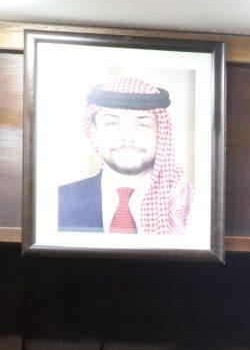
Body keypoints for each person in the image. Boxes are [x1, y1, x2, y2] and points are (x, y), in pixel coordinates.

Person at [58, 77, 192, 235]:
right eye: (112, 124)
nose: (127, 137)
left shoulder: (190, 205)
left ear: (160, 133)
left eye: (143, 124)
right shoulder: (59, 202)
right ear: (94, 133)